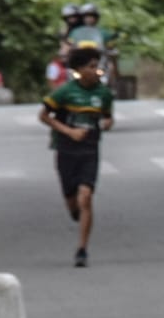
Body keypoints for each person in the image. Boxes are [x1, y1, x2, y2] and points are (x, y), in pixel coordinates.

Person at [39, 45, 114, 268]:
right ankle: (74, 210)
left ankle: (82, 249)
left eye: (97, 66)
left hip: (90, 151)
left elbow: (108, 116)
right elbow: (43, 116)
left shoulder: (104, 94)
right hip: (66, 150)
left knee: (86, 198)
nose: (96, 70)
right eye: (91, 67)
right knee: (72, 200)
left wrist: (107, 123)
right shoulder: (65, 92)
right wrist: (69, 131)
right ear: (79, 70)